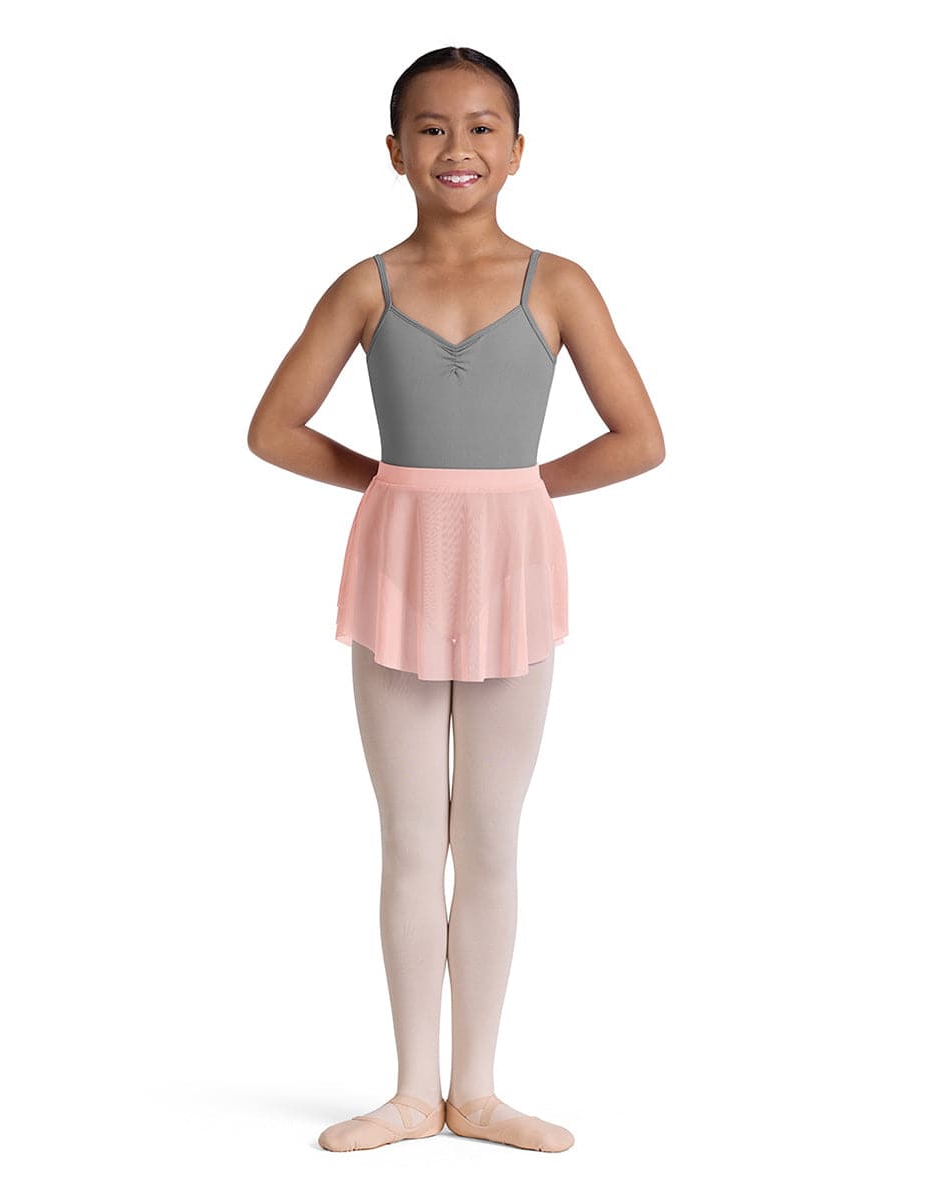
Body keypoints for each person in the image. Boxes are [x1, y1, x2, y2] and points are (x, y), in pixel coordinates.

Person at [248, 46, 664, 1153]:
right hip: (397, 567)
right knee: (406, 834)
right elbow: (273, 429)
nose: (457, 148)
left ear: (518, 150)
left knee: (487, 833)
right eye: (431, 128)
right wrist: (395, 485)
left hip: (513, 571)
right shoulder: (367, 285)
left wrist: (518, 492)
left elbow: (640, 438)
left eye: (482, 127)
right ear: (394, 151)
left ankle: (476, 1090)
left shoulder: (558, 284)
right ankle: (409, 1090)